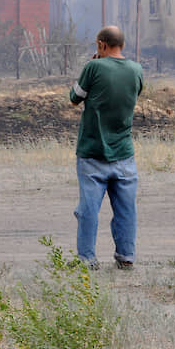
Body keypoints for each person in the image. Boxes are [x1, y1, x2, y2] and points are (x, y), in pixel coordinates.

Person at [69, 25, 143, 270]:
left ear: (101, 44)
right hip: (124, 154)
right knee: (126, 210)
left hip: (92, 152)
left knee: (89, 210)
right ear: (122, 44)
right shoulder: (136, 70)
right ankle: (126, 256)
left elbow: (75, 97)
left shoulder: (93, 67)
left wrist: (92, 66)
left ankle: (87, 260)